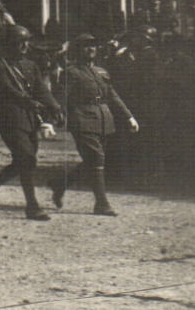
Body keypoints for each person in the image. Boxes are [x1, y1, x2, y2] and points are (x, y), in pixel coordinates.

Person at [0, 24, 62, 221]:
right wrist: (26, 101)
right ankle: (32, 206)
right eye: (19, 43)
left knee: (24, 161)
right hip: (10, 118)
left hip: (30, 118)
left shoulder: (30, 65)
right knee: (27, 158)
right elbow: (6, 89)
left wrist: (54, 106)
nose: (24, 46)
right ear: (9, 44)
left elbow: (42, 90)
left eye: (26, 42)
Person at [50, 33, 138, 215]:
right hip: (82, 119)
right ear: (77, 50)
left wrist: (128, 116)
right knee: (96, 158)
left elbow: (112, 96)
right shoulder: (71, 72)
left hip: (103, 119)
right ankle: (102, 204)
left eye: (93, 46)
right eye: (86, 46)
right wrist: (50, 120)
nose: (91, 49)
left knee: (94, 159)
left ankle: (60, 184)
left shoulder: (101, 71)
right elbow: (60, 98)